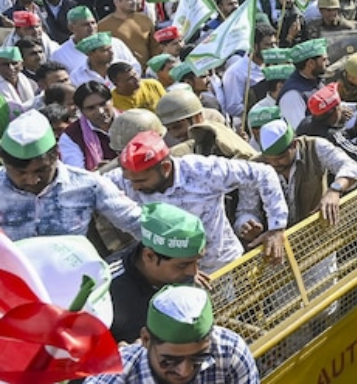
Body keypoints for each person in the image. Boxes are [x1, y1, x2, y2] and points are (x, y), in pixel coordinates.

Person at [106, 131, 290, 274]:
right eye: (131, 181)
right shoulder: (125, 180)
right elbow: (89, 187)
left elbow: (262, 173)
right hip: (175, 279)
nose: (135, 188)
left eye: (142, 181)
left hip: (224, 267)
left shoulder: (202, 171)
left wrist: (276, 227)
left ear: (165, 168)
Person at [0, 109, 142, 241]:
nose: (32, 180)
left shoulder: (88, 184)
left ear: (56, 153)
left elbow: (136, 222)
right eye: (20, 173)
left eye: (41, 170)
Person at [85, 285, 259, 384]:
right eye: (170, 360)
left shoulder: (229, 351)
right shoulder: (113, 379)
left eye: (199, 357)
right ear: (146, 340)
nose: (184, 371)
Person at [110, 202, 207, 344]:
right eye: (183, 265)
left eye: (197, 262)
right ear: (149, 256)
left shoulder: (183, 275)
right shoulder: (105, 291)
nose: (194, 272)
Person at [253, 120, 357, 227]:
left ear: (294, 144)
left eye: (280, 158)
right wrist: (249, 223)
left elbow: (351, 167)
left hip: (317, 232)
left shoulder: (314, 147)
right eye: (269, 159)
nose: (274, 163)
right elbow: (247, 209)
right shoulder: (255, 165)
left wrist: (334, 190)